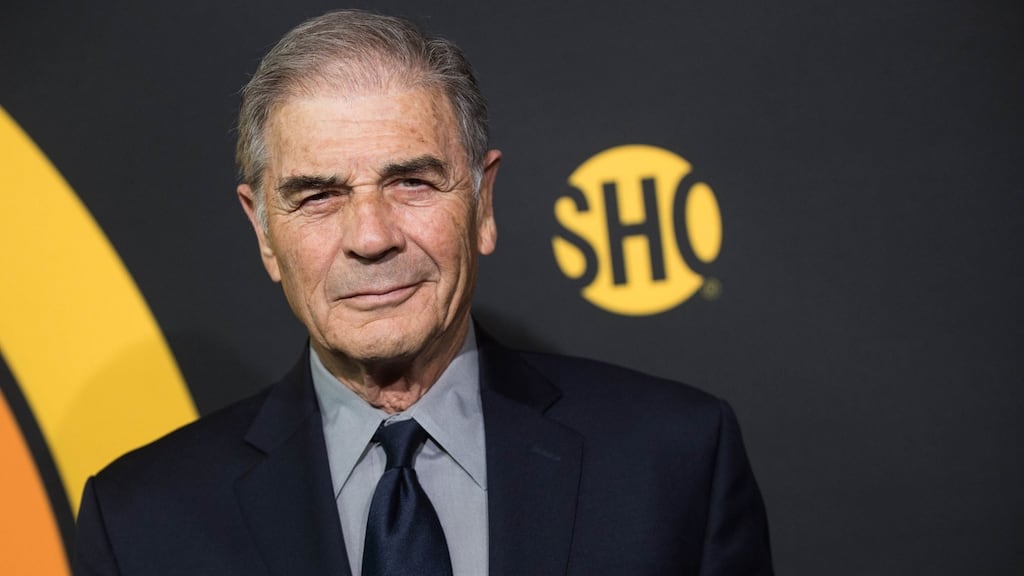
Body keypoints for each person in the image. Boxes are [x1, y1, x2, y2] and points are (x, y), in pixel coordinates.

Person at [73, 9, 773, 576]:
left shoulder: (673, 461)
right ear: (263, 232)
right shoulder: (142, 521)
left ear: (482, 202)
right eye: (318, 195)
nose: (371, 237)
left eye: (411, 182)